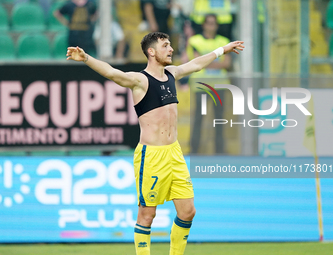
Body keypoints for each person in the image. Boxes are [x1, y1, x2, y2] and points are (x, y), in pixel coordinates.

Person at [66, 32, 244, 255]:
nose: (171, 49)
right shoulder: (140, 80)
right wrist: (86, 58)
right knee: (147, 215)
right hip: (151, 156)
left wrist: (221, 50)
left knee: (188, 211)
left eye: (170, 45)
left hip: (175, 154)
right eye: (165, 46)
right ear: (151, 52)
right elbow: (113, 73)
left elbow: (197, 64)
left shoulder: (171, 73)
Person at [187, 14, 231, 154]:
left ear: (217, 25)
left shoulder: (224, 40)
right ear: (204, 25)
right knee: (198, 118)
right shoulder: (195, 40)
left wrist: (206, 63)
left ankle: (220, 151)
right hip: (201, 85)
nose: (211, 26)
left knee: (219, 119)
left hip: (219, 85)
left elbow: (227, 63)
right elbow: (197, 62)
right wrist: (218, 63)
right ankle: (194, 150)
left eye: (214, 23)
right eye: (209, 23)